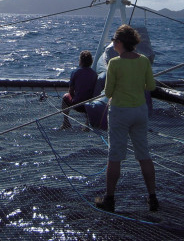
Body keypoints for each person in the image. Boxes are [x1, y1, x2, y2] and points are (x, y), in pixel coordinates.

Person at [95, 24, 158, 213]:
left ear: (120, 43)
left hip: (120, 112)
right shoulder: (144, 61)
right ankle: (153, 198)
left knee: (115, 157)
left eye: (114, 40)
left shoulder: (114, 63)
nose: (113, 43)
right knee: (144, 155)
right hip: (140, 111)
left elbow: (108, 91)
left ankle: (110, 199)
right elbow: (151, 86)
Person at [60, 50, 98, 129]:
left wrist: (74, 97)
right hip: (89, 107)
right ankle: (87, 123)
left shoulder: (75, 72)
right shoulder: (94, 74)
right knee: (90, 97)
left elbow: (71, 90)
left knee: (65, 97)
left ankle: (66, 122)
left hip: (78, 104)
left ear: (81, 61)